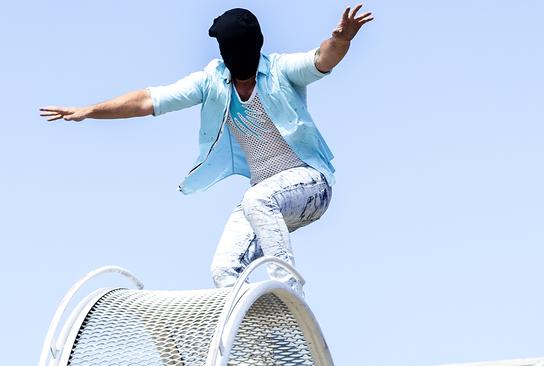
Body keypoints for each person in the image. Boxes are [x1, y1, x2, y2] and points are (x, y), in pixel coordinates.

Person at [39, 4, 374, 298]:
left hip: (311, 185)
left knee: (258, 198)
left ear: (256, 50)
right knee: (224, 268)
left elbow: (320, 59)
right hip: (266, 199)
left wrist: (341, 40)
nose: (241, 78)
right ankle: (265, 344)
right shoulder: (212, 82)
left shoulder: (281, 70)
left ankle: (290, 297)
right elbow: (148, 100)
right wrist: (89, 110)